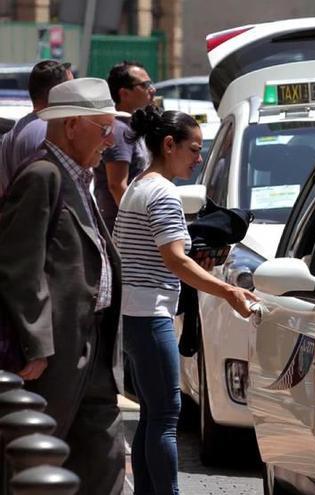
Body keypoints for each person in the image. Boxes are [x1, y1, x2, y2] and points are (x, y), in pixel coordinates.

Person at [114, 105, 258, 495]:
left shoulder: (139, 187)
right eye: (194, 149)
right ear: (168, 144)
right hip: (148, 316)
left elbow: (167, 256)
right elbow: (175, 259)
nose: (199, 159)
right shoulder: (162, 193)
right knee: (164, 415)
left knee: (152, 414)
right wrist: (228, 291)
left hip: (133, 314)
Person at [0, 77, 127, 494]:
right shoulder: (42, 175)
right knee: (42, 458)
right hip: (57, 352)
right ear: (72, 125)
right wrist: (36, 344)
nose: (111, 139)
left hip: (95, 346)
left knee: (105, 458)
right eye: (103, 127)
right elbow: (20, 265)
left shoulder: (81, 178)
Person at [95, 60, 156, 232]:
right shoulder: (120, 131)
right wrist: (140, 226)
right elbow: (117, 186)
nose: (152, 90)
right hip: (122, 230)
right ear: (124, 93)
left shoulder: (131, 125)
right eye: (145, 85)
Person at [0, 60, 73, 196]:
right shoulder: (48, 132)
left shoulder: (15, 130)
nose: (75, 94)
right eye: (71, 88)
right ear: (57, 93)